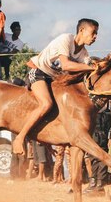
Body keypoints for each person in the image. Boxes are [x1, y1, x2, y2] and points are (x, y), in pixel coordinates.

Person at [12, 19, 99, 155]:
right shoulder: (66, 40)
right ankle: (20, 137)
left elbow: (90, 67)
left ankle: (46, 140)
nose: (95, 37)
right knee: (46, 104)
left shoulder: (84, 54)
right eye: (93, 33)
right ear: (82, 30)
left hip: (53, 80)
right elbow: (66, 65)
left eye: (96, 33)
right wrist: (90, 67)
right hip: (38, 72)